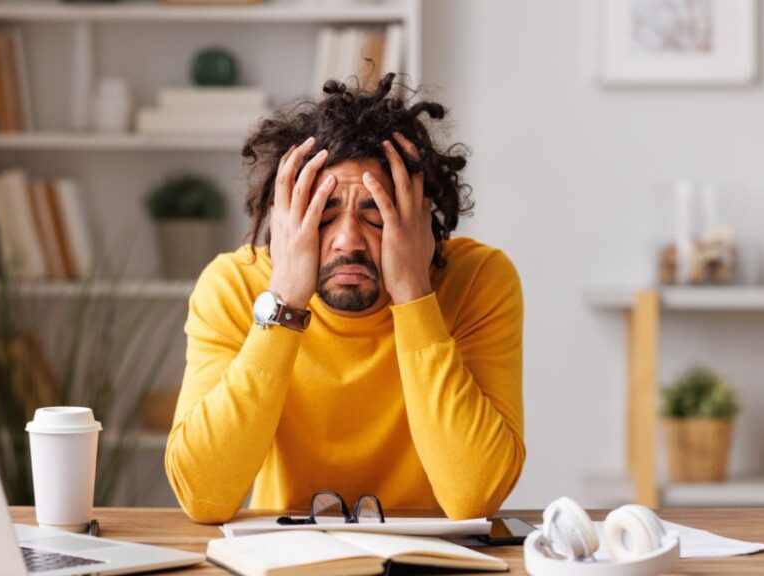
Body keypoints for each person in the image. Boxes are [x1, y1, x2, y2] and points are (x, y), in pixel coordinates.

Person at [165, 74, 524, 524]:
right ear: (285, 220)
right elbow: (204, 497)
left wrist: (414, 294)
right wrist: (284, 303)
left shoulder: (480, 281)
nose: (347, 241)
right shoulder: (234, 286)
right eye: (324, 215)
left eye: (378, 214)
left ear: (419, 219)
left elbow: (474, 496)